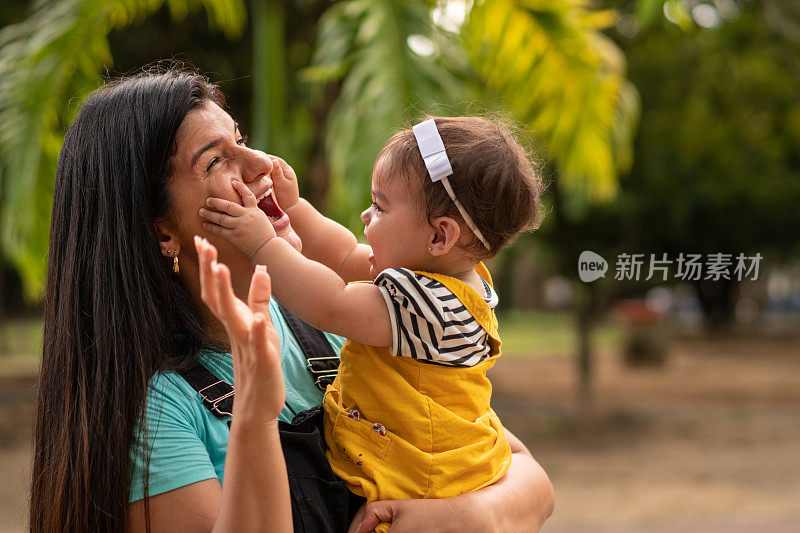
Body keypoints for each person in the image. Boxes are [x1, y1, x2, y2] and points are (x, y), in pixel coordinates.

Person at [29, 66, 554, 532]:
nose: (259, 167)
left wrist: (463, 519)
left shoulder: (330, 331)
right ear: (162, 229)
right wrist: (254, 414)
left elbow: (530, 480)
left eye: (243, 140)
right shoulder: (162, 411)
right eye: (216, 163)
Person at [200, 115, 542, 527]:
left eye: (380, 206)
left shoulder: (426, 306)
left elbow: (329, 304)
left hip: (417, 481)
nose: (365, 215)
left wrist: (262, 243)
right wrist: (293, 208)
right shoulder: (451, 277)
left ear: (439, 236)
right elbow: (344, 255)